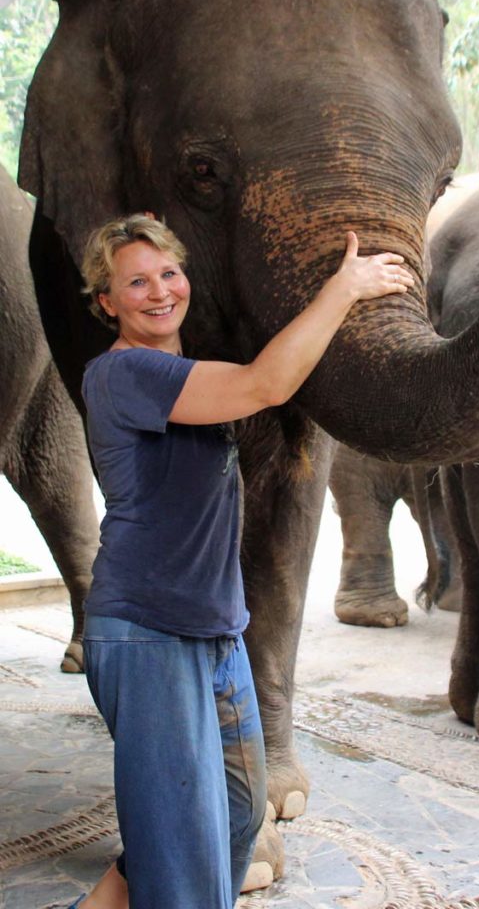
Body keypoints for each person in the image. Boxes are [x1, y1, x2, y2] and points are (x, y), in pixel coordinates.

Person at [71, 213, 413, 909]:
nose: (160, 291)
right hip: (147, 631)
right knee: (182, 855)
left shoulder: (179, 372)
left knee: (231, 818)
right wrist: (343, 289)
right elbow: (265, 385)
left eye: (169, 272)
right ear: (106, 301)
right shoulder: (124, 374)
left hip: (213, 629)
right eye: (135, 282)